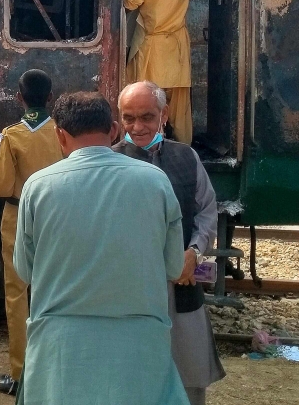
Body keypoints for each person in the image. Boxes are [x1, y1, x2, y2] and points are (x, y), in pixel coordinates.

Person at [15, 91, 189, 405]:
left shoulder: (37, 187)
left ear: (60, 135)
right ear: (113, 129)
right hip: (139, 347)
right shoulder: (156, 181)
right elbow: (175, 267)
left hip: (60, 348)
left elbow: (25, 270)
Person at [112, 81, 225, 405]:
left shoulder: (185, 157)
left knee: (188, 374)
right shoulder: (111, 162)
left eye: (146, 117)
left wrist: (194, 252)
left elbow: (206, 210)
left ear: (164, 115)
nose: (137, 127)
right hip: (131, 290)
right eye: (128, 118)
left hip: (181, 285)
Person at [0, 69, 63, 396]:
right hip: (58, 215)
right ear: (51, 97)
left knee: (18, 294)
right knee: (57, 289)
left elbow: (2, 185)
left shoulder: (12, 134)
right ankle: (56, 371)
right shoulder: (62, 133)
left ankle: (20, 376)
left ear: (19, 98)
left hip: (18, 215)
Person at [124, 0, 193, 144]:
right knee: (179, 102)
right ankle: (183, 145)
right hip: (178, 42)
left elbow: (131, 1)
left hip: (152, 44)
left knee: (146, 97)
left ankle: (146, 144)